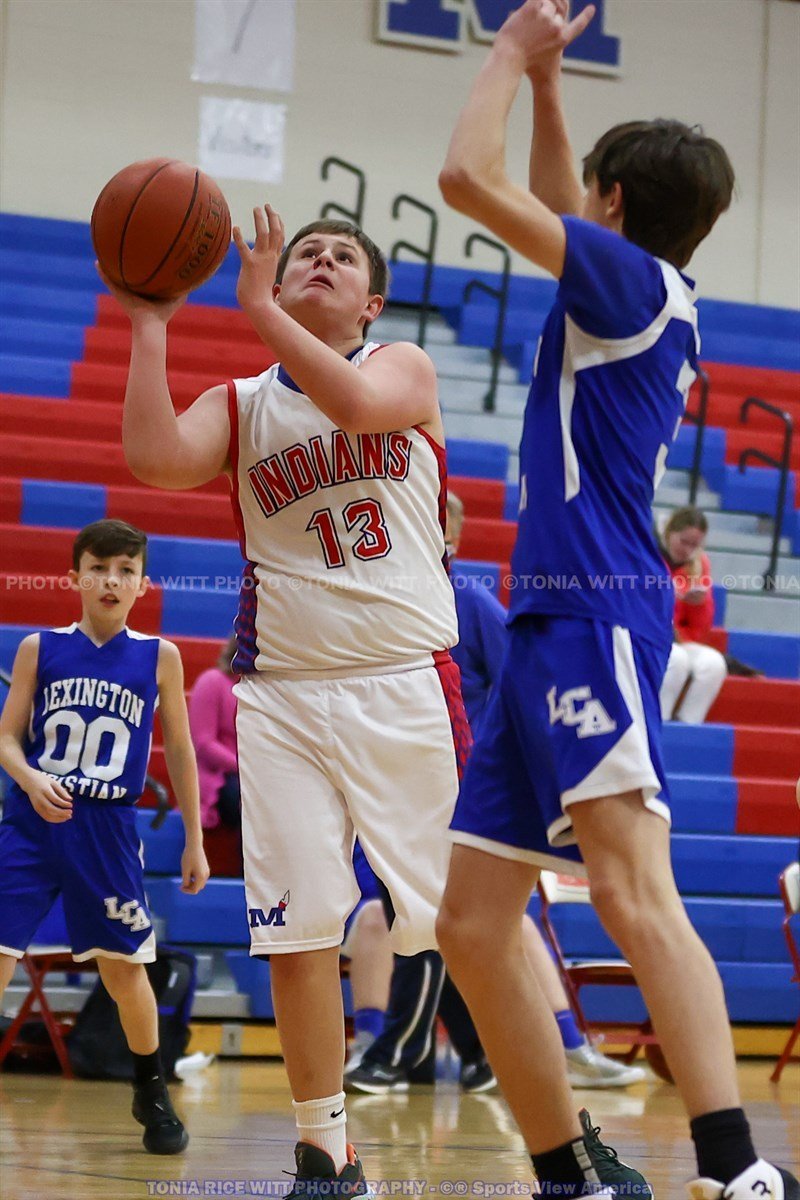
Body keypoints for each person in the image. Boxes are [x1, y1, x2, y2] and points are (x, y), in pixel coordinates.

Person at [436, 3, 798, 1199]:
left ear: (613, 204)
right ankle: (568, 1176)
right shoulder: (638, 284)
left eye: (588, 190)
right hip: (550, 619)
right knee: (471, 924)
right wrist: (550, 88)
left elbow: (465, 181)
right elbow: (555, 197)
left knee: (634, 890)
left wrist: (503, 52)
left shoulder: (625, 279)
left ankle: (735, 1168)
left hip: (591, 615)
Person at [105, 210, 469, 1192]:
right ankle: (324, 1150)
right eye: (308, 250)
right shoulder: (241, 403)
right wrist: (151, 323)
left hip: (402, 679)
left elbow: (352, 404)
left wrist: (260, 306)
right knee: (297, 932)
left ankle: (561, 1143)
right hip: (282, 693)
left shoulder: (401, 368)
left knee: (471, 924)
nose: (322, 260)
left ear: (372, 301)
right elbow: (155, 461)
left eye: (342, 257)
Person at [346, 493, 645, 1095]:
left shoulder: (471, 603)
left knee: (429, 914)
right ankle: (483, 1056)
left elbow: (521, 686)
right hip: (390, 785)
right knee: (431, 919)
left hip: (456, 785)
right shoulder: (378, 602)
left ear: (450, 540)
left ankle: (398, 1050)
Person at [0, 518, 209, 1155]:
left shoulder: (160, 656)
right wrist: (31, 778)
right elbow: (7, 738)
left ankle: (151, 1087)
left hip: (107, 829)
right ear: (75, 578)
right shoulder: (39, 647)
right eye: (98, 568)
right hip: (33, 822)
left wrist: (195, 839)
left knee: (125, 972)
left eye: (125, 571)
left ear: (143, 584)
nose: (111, 580)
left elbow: (180, 750)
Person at [189, 633, 240, 829]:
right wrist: (244, 768)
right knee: (248, 798)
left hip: (257, 775)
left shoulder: (267, 691)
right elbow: (204, 744)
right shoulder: (212, 681)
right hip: (219, 777)